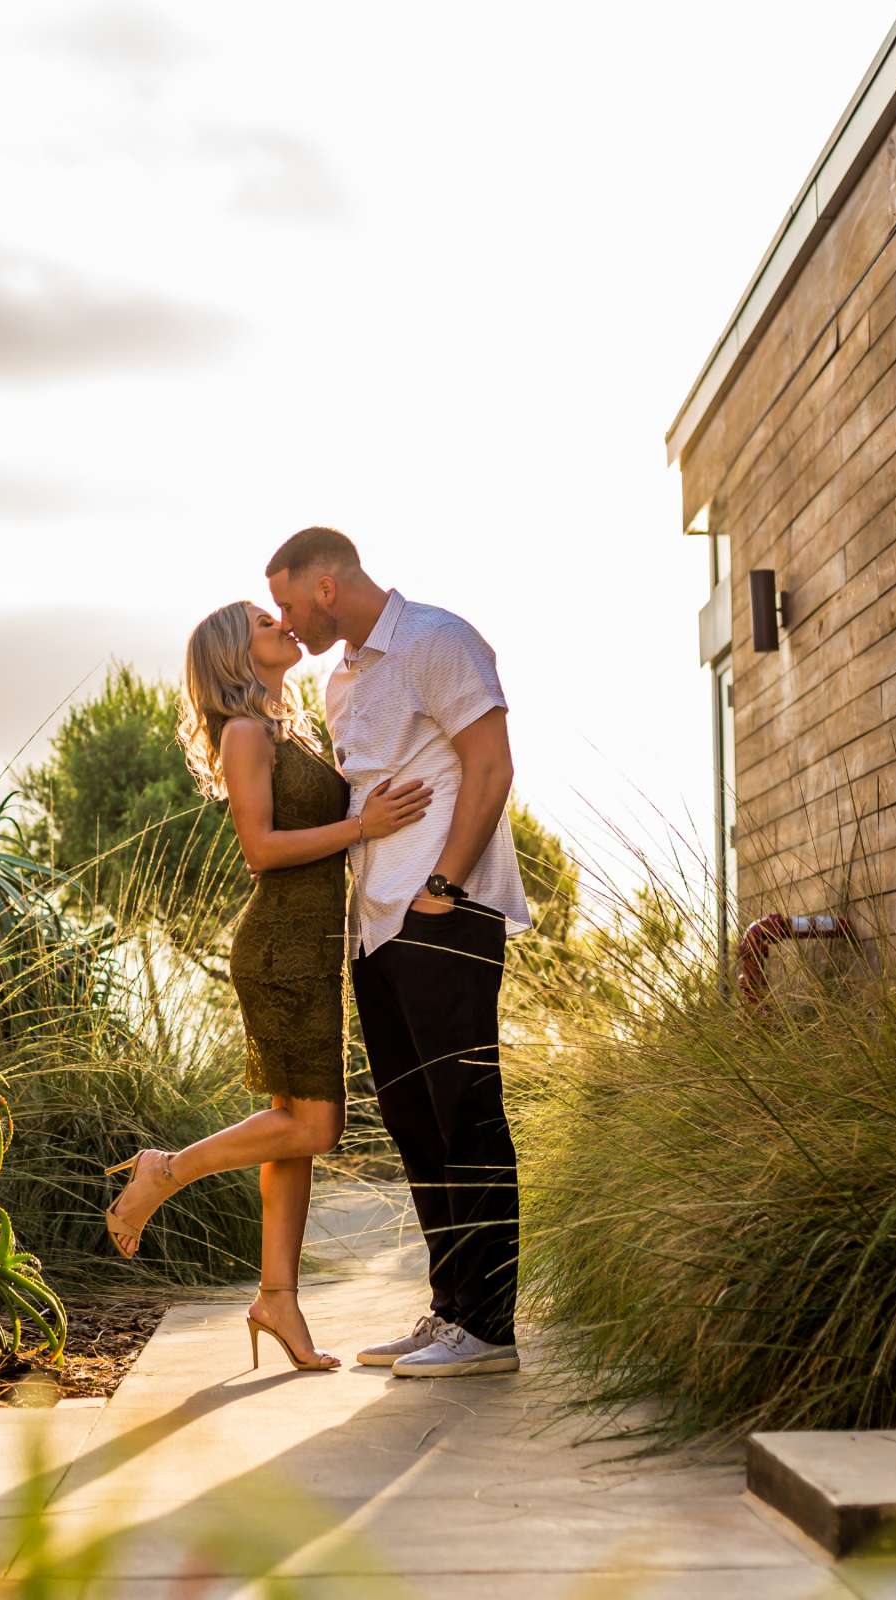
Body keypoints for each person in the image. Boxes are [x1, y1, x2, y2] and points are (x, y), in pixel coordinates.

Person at [102, 599, 429, 1372]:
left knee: (294, 1131)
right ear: (234, 655)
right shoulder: (246, 734)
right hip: (280, 948)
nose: (282, 623)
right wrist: (362, 827)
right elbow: (261, 849)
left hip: (313, 948)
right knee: (315, 1128)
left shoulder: (290, 727)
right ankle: (165, 1172)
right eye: (261, 622)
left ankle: (276, 1301)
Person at [266, 526, 530, 1378]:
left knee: (466, 1113)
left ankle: (489, 1328)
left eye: (288, 603)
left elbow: (490, 767)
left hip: (443, 915)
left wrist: (445, 888)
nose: (287, 621)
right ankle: (451, 1309)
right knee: (417, 1125)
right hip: (376, 930)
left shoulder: (436, 641)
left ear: (328, 586)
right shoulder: (343, 682)